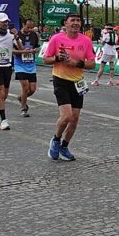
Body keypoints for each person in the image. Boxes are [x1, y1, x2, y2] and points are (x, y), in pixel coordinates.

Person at [42, 13, 96, 162]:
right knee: (66, 116)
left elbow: (92, 64)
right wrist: (59, 58)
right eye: (72, 20)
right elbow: (45, 59)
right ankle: (56, 140)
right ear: (65, 23)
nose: (76, 23)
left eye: (78, 21)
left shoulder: (86, 40)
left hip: (78, 82)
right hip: (61, 80)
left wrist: (77, 63)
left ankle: (64, 146)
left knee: (75, 119)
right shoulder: (56, 39)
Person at [13, 19, 40, 116]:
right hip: (19, 64)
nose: (29, 29)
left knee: (32, 89)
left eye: (31, 27)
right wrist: (23, 52)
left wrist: (36, 50)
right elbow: (12, 51)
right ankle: (23, 108)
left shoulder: (34, 35)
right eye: (27, 27)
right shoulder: (16, 36)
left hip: (31, 64)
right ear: (23, 24)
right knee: (25, 87)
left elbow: (37, 46)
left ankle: (21, 98)